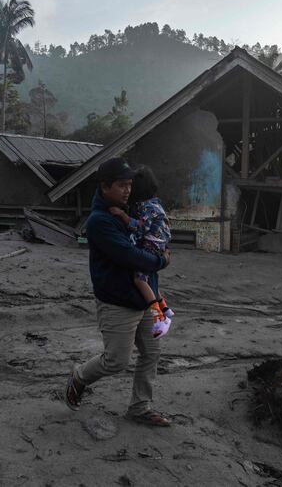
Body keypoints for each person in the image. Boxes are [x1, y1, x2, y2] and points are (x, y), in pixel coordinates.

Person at [65, 157, 172, 427]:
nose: (127, 190)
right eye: (122, 185)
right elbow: (130, 256)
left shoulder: (132, 210)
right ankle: (79, 376)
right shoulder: (100, 221)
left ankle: (140, 407)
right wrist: (161, 261)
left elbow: (149, 238)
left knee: (151, 353)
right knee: (116, 362)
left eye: (130, 185)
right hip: (117, 303)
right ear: (104, 186)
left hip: (144, 300)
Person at [108, 165, 175, 338]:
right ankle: (166, 309)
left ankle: (159, 318)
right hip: (160, 245)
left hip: (152, 245)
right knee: (150, 279)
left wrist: (123, 216)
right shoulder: (157, 204)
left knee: (139, 279)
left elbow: (141, 228)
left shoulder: (146, 207)